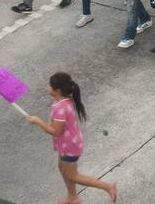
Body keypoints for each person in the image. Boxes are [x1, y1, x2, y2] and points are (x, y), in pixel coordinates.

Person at [24, 71, 118, 203]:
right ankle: (72, 197)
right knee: (62, 169)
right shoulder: (66, 100)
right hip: (69, 143)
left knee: (72, 175)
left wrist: (38, 121)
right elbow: (56, 128)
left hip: (69, 146)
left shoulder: (60, 108)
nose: (47, 86)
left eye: (49, 84)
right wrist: (47, 124)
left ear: (57, 90)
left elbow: (56, 132)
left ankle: (108, 186)